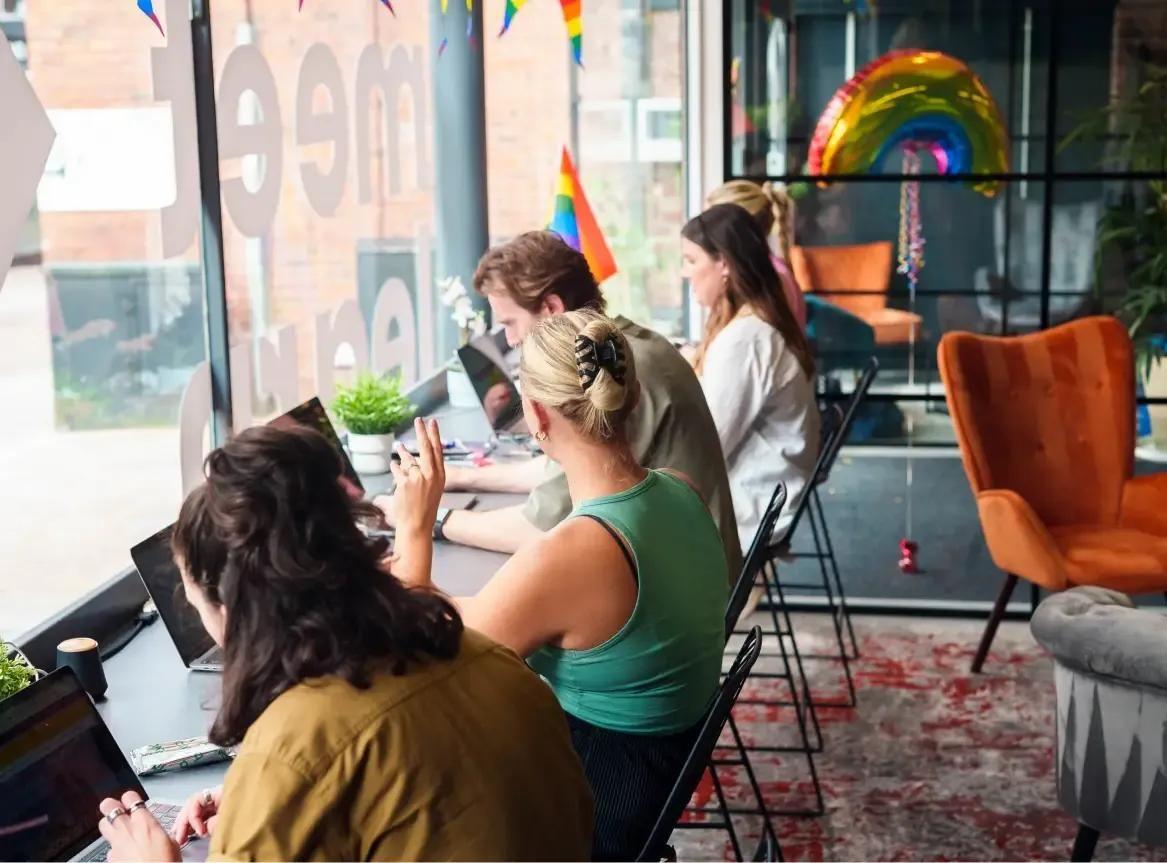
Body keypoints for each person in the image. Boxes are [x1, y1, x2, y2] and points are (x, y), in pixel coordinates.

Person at [95, 425, 593, 863]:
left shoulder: (295, 751)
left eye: (194, 600)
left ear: (231, 609)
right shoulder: (487, 659)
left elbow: (335, 757)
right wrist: (261, 804)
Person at [385, 310, 728, 861]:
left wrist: (416, 528)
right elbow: (485, 615)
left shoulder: (575, 554)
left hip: (591, 815)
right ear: (632, 394)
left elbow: (423, 655)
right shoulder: (680, 492)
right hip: (651, 787)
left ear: (538, 417)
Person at [376, 230, 743, 582]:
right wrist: (463, 478)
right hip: (693, 570)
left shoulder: (621, 369)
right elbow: (567, 465)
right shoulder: (618, 351)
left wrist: (425, 520)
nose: (510, 338)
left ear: (551, 308)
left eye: (510, 322)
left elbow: (539, 527)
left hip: (686, 585)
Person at [681, 203, 820, 552]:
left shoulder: (746, 338)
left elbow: (706, 448)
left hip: (750, 507)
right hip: (762, 491)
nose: (684, 273)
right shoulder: (755, 325)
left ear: (724, 264)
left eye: (691, 260)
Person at [706, 179, 807, 332]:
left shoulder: (767, 278)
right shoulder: (773, 270)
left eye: (710, 226)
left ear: (735, 227)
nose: (704, 236)